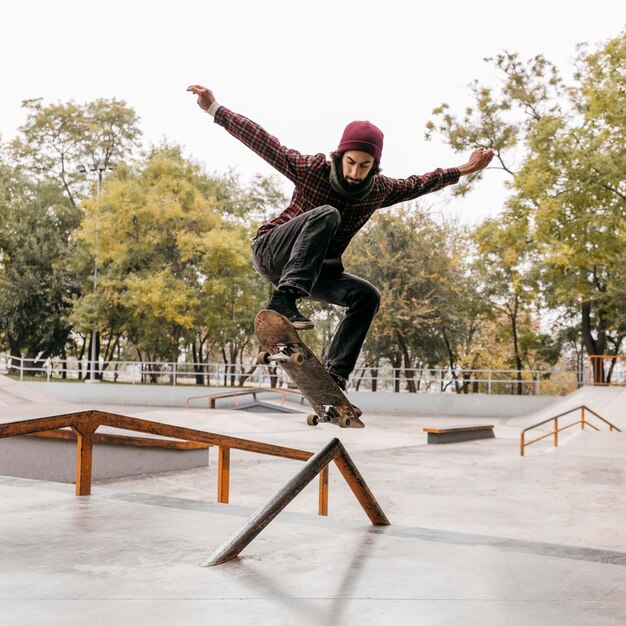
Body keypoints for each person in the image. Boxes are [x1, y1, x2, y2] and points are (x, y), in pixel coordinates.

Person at [187, 84, 494, 392]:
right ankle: (283, 301)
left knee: (367, 296)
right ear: (340, 155)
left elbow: (420, 183)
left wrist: (464, 169)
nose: (355, 172)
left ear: (374, 166)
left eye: (365, 165)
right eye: (350, 162)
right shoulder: (311, 169)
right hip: (272, 252)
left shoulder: (378, 190)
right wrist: (215, 108)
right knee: (327, 214)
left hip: (314, 271)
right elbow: (264, 143)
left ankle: (334, 377)